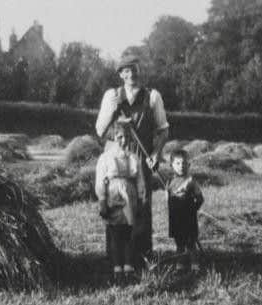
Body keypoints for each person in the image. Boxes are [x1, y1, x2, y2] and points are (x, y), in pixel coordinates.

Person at [95, 55, 169, 264]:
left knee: (141, 204)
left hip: (141, 156)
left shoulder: (152, 97)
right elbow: (100, 130)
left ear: (140, 70)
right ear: (120, 74)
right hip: (116, 158)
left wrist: (155, 154)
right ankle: (115, 257)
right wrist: (117, 120)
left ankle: (141, 257)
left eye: (134, 69)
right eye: (126, 71)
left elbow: (163, 131)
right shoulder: (111, 96)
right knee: (115, 205)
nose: (131, 74)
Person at [95, 122, 145, 284]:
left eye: (127, 138)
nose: (123, 141)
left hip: (130, 196)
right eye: (120, 137)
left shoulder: (133, 158)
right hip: (113, 195)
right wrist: (102, 200)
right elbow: (100, 181)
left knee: (129, 232)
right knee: (116, 233)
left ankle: (128, 267)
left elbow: (140, 181)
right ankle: (117, 269)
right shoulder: (106, 158)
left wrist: (141, 199)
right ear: (113, 138)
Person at [167, 149, 204, 272]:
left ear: (188, 165)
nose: (181, 166)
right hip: (176, 217)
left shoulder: (191, 182)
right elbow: (168, 199)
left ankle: (195, 265)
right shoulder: (169, 182)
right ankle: (180, 265)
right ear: (171, 165)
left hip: (188, 217)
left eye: (184, 163)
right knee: (179, 243)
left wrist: (193, 208)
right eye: (177, 163)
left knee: (191, 242)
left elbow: (200, 198)